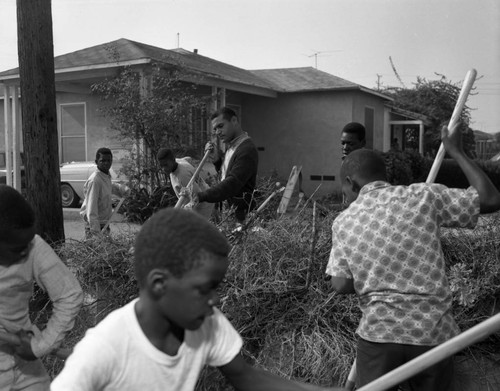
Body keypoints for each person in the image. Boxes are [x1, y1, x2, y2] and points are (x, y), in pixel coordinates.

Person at [51, 208, 344, 391]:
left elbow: (245, 377)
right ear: (159, 284)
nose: (215, 300)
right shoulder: (104, 348)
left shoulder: (206, 321)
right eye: (205, 288)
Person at [326, 125, 500, 391]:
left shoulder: (344, 220)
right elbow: (490, 198)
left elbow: (339, 284)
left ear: (350, 183)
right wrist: (456, 151)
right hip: (432, 334)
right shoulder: (423, 196)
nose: (345, 198)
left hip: (379, 335)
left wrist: (369, 274)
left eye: (344, 192)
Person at [0, 185, 83, 390]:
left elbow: (69, 294)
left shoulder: (31, 244)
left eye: (29, 242)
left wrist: (42, 345)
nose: (27, 252)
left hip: (26, 368)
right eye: (18, 249)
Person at [192, 107, 259, 223]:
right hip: (230, 216)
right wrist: (218, 161)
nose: (217, 132)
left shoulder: (247, 149)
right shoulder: (232, 146)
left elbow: (233, 182)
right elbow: (227, 176)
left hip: (241, 218)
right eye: (215, 129)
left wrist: (202, 196)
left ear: (234, 120)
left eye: (220, 126)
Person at [80, 147, 128, 237]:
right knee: (96, 249)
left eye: (109, 160)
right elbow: (92, 208)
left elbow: (109, 187)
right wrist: (95, 232)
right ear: (96, 162)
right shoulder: (95, 180)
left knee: (105, 249)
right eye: (103, 161)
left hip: (104, 223)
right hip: (95, 225)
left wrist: (122, 189)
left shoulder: (105, 175)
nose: (106, 163)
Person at [157, 148, 214, 220]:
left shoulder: (182, 177)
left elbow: (197, 197)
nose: (163, 169)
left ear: (173, 160)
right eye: (161, 166)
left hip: (203, 204)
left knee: (197, 229)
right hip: (196, 199)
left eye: (166, 165)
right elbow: (188, 159)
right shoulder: (179, 161)